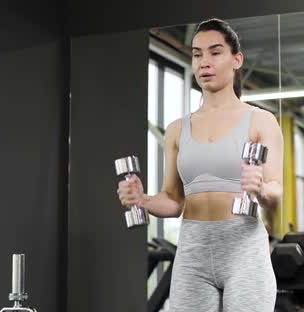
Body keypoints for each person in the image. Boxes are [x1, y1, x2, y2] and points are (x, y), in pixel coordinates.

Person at [117, 18, 283, 312]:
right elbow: (173, 200)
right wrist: (143, 200)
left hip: (243, 248)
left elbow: (275, 192)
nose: (204, 62)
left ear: (236, 59)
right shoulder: (177, 130)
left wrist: (260, 189)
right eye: (197, 54)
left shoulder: (261, 120)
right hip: (192, 248)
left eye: (215, 52)